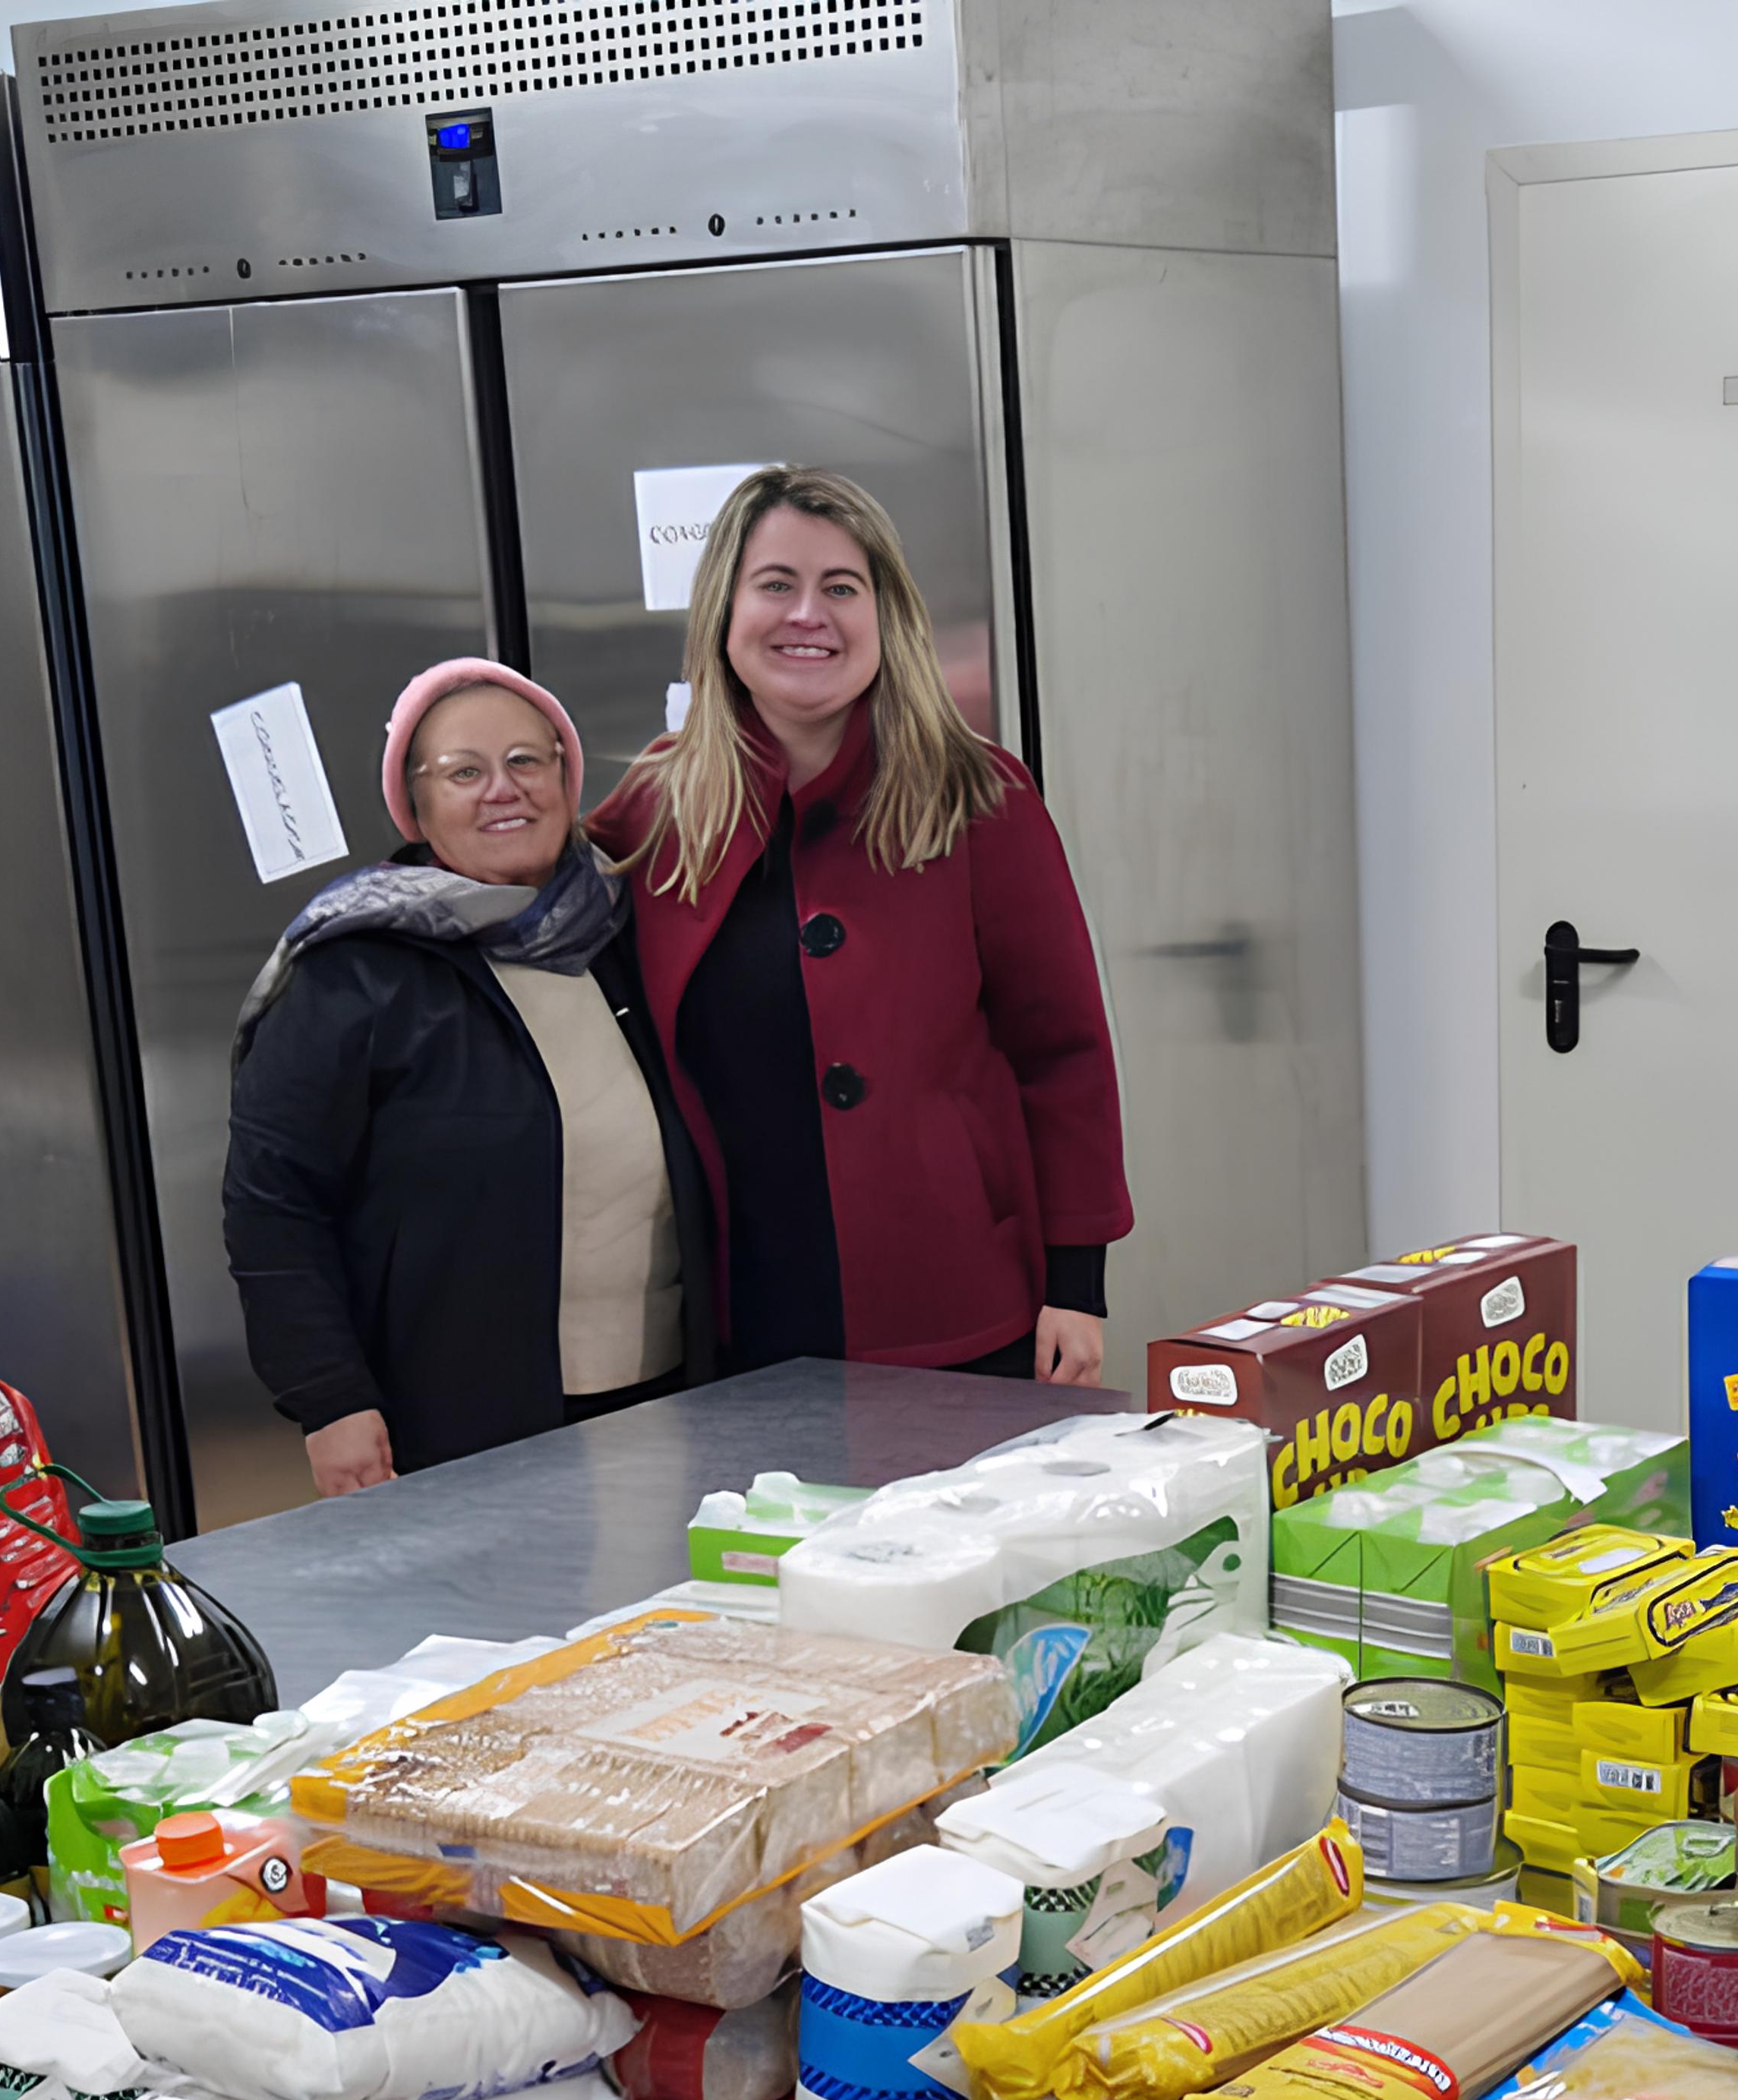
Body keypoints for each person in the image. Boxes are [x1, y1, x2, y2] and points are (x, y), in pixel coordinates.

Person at [601, 468, 1124, 1386]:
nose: (809, 614)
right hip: (733, 1328)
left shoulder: (979, 797)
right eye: (775, 585)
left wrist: (1078, 1287)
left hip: (960, 1312)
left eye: (841, 588)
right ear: (724, 612)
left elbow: (1063, 1051)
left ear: (887, 617)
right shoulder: (655, 807)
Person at [226, 659, 710, 1494]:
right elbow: (274, 1202)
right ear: (416, 806)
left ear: (567, 776)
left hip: (669, 1398)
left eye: (528, 760)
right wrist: (328, 1399)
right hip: (459, 1424)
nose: (504, 790)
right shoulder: (355, 972)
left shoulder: (625, 931)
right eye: (464, 772)